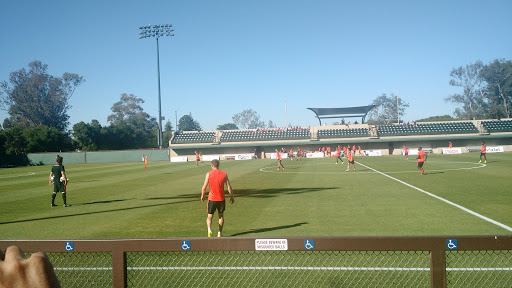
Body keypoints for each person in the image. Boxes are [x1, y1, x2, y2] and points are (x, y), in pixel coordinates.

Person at [201, 159, 234, 237]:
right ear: (218, 165)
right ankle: (219, 233)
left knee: (209, 216)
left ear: (212, 165)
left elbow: (204, 187)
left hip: (211, 198)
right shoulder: (224, 174)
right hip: (221, 199)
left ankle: (209, 229)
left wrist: (202, 195)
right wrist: (232, 196)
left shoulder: (209, 174)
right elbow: (229, 187)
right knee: (221, 216)